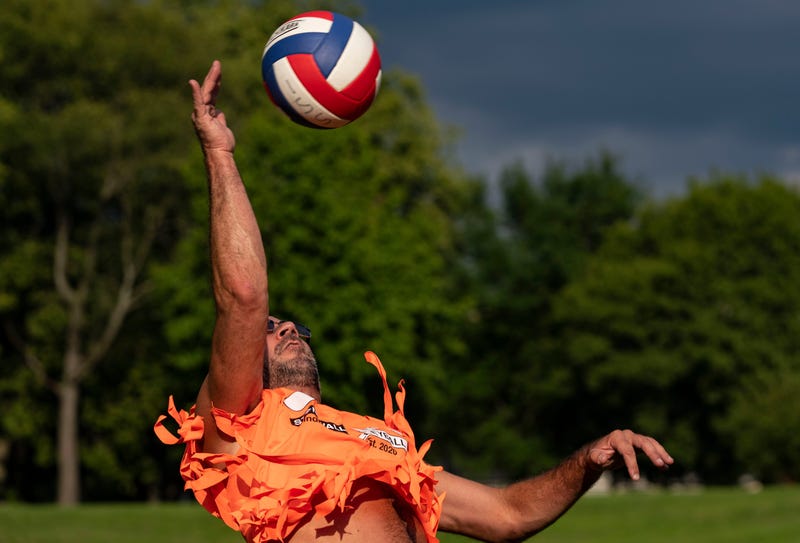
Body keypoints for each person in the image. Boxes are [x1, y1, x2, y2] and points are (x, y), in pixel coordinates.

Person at [155, 60, 674, 543]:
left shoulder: (384, 441)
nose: (287, 327)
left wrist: (590, 458)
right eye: (271, 329)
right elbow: (244, 297)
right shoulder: (236, 425)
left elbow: (507, 516)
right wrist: (219, 154)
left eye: (292, 325)